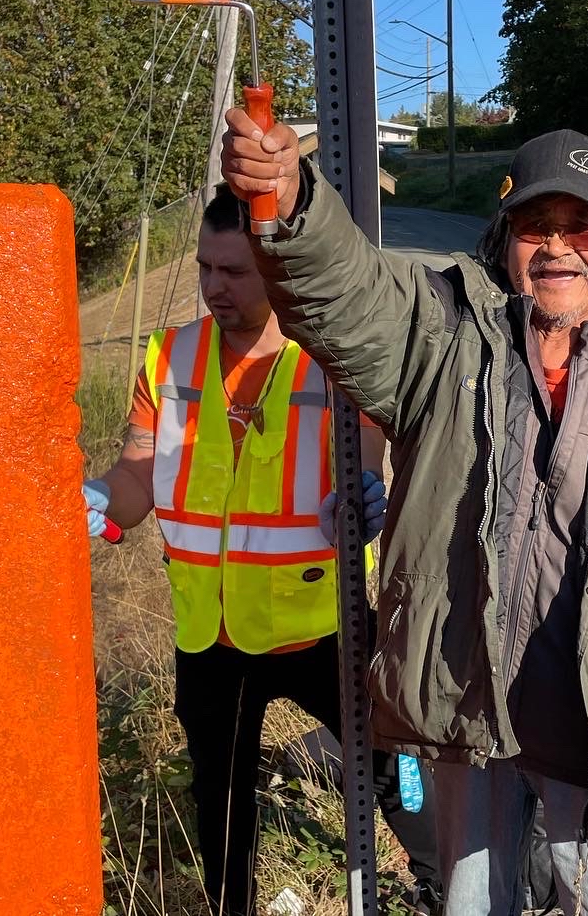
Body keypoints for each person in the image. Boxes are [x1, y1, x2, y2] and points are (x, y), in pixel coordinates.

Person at [218, 116, 588, 916]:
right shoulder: (443, 333)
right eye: (535, 224)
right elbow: (342, 293)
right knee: (471, 906)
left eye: (583, 226)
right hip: (465, 711)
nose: (559, 246)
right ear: (505, 237)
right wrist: (290, 199)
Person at [82, 190, 441, 916]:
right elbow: (138, 475)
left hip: (322, 626)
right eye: (205, 268)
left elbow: (365, 458)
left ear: (276, 271)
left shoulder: (331, 355)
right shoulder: (172, 356)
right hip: (209, 633)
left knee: (392, 764)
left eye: (235, 272)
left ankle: (441, 875)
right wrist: (95, 498)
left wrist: (361, 495)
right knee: (221, 800)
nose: (215, 287)